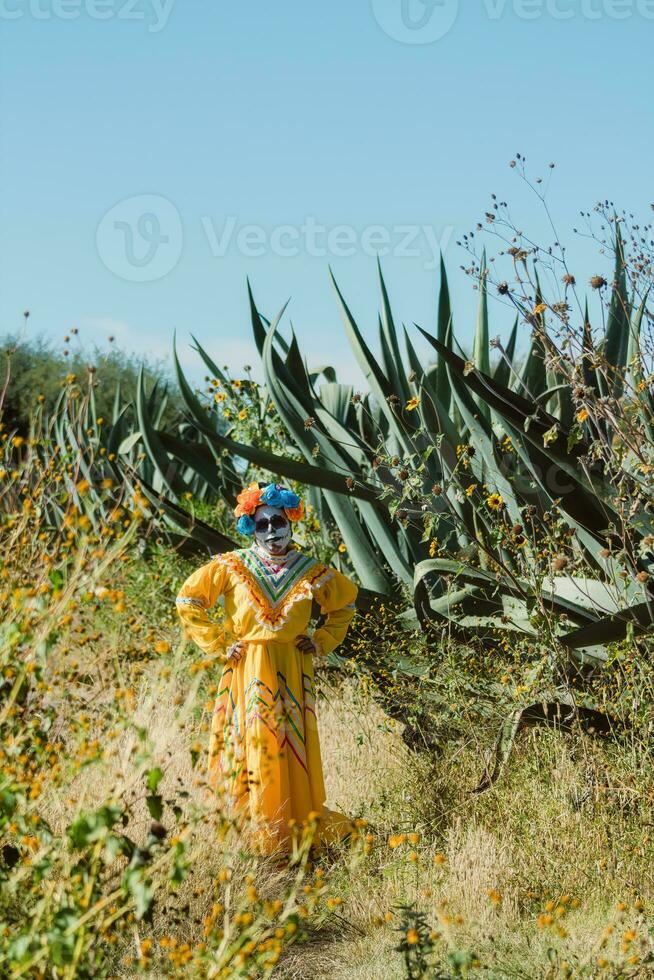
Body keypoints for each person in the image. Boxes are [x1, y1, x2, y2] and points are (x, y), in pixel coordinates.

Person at [175, 481, 358, 855]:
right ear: (250, 528)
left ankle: (295, 835)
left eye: (278, 522)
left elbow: (344, 606)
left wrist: (321, 642)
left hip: (292, 668)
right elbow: (188, 599)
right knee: (252, 745)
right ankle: (258, 837)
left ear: (291, 522)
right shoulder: (232, 565)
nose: (272, 532)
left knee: (289, 748)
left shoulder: (310, 570)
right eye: (262, 525)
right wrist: (220, 643)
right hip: (247, 669)